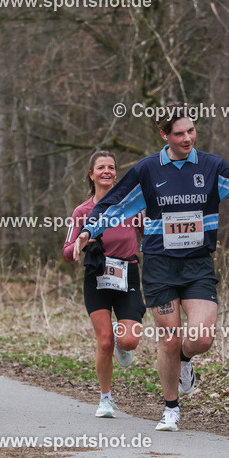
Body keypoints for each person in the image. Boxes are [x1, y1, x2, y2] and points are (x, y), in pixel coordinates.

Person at [73, 107, 229, 431]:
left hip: (198, 263)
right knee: (169, 339)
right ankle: (170, 409)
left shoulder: (211, 166)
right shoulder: (147, 170)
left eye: (191, 131)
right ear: (165, 136)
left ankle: (186, 361)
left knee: (201, 338)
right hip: (159, 265)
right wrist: (88, 232)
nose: (187, 138)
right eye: (179, 133)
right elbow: (115, 205)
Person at [63, 151, 144, 417]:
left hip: (128, 273)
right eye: (101, 167)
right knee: (105, 342)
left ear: (116, 174)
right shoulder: (82, 211)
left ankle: (123, 339)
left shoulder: (131, 207)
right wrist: (77, 246)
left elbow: (151, 233)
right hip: (96, 277)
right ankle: (105, 399)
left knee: (129, 340)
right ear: (91, 174)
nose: (106, 171)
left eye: (111, 167)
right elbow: (66, 251)